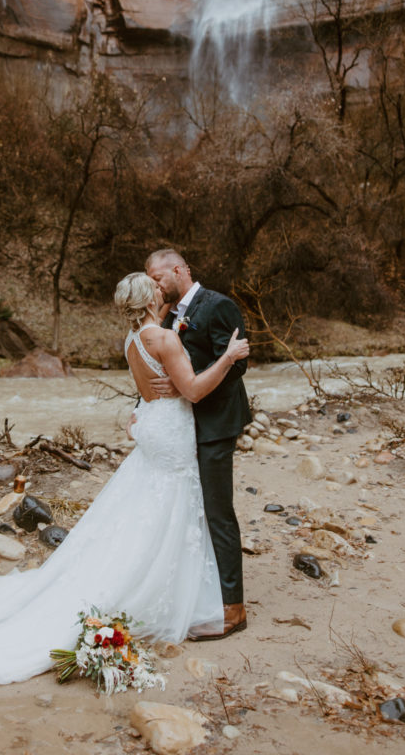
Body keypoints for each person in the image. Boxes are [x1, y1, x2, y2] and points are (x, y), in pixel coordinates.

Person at [0, 272, 249, 685]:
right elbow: (191, 391)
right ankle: (165, 594)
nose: (162, 289)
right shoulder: (165, 339)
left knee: (147, 506)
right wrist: (228, 357)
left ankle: (153, 580)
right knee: (172, 506)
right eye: (155, 288)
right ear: (148, 298)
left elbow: (155, 388)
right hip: (171, 432)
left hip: (152, 427)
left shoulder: (132, 341)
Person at [145, 248, 251, 640]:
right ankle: (203, 593)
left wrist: (187, 387)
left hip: (217, 424)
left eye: (157, 279)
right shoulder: (169, 317)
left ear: (178, 270)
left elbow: (237, 363)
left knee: (219, 512)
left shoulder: (218, 305)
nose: (155, 287)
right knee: (195, 511)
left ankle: (234, 610)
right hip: (185, 425)